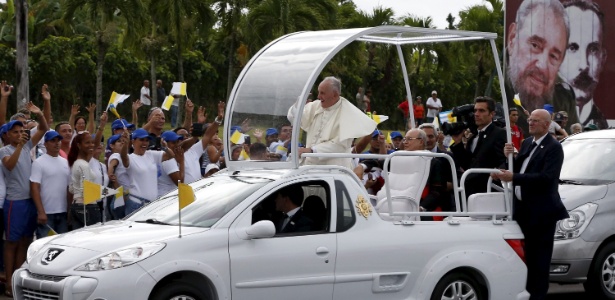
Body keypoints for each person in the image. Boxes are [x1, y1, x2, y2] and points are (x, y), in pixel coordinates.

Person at [491, 109, 568, 300]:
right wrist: (504, 165)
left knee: (539, 260)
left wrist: (514, 176)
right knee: (523, 257)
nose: (530, 123)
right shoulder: (526, 143)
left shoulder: (553, 147)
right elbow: (517, 169)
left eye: (535, 120)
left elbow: (547, 178)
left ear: (546, 125)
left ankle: (537, 296)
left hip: (541, 213)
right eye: (530, 119)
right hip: (522, 210)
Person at [506, 0, 580, 133]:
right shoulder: (492, 84)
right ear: (512, 39)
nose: (542, 66)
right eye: (535, 45)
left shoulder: (564, 97)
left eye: (553, 56)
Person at [0, 103, 48, 292]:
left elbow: (43, 128)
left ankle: (16, 281)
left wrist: (41, 112)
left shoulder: (27, 145)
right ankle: (9, 284)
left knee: (25, 241)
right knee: (11, 242)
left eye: (21, 131)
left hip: (29, 202)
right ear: (7, 135)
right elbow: (10, 166)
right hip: (15, 203)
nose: (19, 133)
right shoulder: (4, 151)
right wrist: (20, 147)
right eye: (15, 131)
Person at [287, 76, 376, 169]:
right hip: (309, 166)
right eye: (318, 92)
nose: (318, 96)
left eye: (322, 93)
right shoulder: (316, 105)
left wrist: (312, 150)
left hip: (334, 170)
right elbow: (294, 119)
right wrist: (298, 106)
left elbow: (340, 145)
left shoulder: (348, 112)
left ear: (335, 95)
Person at [560, 0, 609, 129]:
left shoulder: (603, 126)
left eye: (593, 49)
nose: (584, 65)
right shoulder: (543, 120)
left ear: (603, 59)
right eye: (572, 48)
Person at [450, 97, 506, 198]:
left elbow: (505, 161)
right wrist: (458, 142)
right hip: (469, 192)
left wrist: (498, 173)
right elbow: (468, 165)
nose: (476, 114)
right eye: (475, 110)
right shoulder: (473, 137)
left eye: (481, 110)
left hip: (488, 192)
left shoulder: (499, 134)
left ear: (492, 114)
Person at [67, 113, 107, 230]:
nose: (91, 145)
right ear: (79, 145)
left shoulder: (76, 163)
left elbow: (71, 188)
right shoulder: (83, 165)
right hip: (87, 207)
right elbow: (88, 192)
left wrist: (102, 126)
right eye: (87, 143)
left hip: (76, 206)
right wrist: (110, 192)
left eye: (92, 142)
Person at [124, 128, 175, 215]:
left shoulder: (151, 154)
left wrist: (165, 147)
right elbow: (123, 156)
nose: (145, 143)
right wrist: (125, 143)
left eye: (147, 140)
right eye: (141, 140)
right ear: (133, 141)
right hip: (136, 204)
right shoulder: (130, 158)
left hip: (151, 205)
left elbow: (171, 155)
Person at [30, 131, 70, 238]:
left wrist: (69, 209)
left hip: (63, 212)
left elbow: (68, 188)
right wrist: (41, 211)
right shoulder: (38, 163)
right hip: (47, 213)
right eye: (53, 141)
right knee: (45, 247)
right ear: (45, 144)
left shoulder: (65, 162)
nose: (56, 143)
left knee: (63, 246)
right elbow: (34, 188)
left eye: (58, 141)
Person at [402, 129, 448, 219]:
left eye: (409, 139)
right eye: (404, 139)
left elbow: (437, 192)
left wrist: (421, 208)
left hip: (426, 210)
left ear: (421, 142)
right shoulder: (400, 161)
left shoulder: (434, 163)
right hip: (402, 205)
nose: (405, 142)